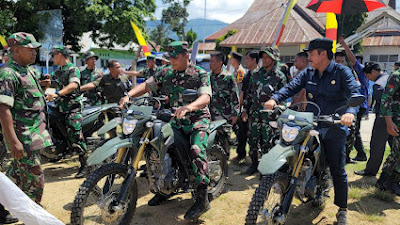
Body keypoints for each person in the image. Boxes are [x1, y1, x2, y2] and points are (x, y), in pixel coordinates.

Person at [264, 38, 360, 225]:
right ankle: (287, 183)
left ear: (323, 53)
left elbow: (354, 93)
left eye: (311, 53)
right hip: (310, 123)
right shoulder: (308, 73)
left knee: (338, 168)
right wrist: (274, 99)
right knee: (292, 149)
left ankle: (342, 210)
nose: (308, 57)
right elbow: (291, 87)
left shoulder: (342, 72)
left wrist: (350, 112)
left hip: (334, 125)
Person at [119, 41, 212, 221]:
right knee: (156, 146)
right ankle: (164, 188)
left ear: (186, 56)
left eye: (175, 57)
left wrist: (189, 107)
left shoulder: (199, 73)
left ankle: (202, 198)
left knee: (196, 150)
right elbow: (147, 85)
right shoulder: (166, 72)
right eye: (169, 57)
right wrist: (129, 95)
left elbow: (205, 96)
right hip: (174, 120)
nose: (172, 61)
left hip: (196, 120)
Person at [0, 32, 53, 224]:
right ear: (16, 50)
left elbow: (27, 95)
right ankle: (33, 217)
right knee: (35, 179)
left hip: (34, 133)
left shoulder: (28, 70)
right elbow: (3, 108)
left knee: (15, 174)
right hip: (23, 137)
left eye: (35, 49)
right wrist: (14, 141)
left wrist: (43, 87)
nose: (34, 52)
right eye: (29, 49)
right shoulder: (8, 73)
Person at [242, 47, 287, 175]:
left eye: (267, 57)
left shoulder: (280, 76)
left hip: (270, 117)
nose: (265, 60)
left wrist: (279, 111)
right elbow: (249, 94)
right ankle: (254, 164)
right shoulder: (255, 74)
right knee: (252, 140)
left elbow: (283, 96)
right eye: (263, 57)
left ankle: (266, 168)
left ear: (274, 59)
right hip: (254, 114)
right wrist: (245, 110)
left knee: (268, 142)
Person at [45, 45, 87, 178]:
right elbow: (51, 83)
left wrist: (57, 93)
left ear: (60, 55)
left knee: (74, 133)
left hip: (72, 107)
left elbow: (73, 85)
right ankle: (60, 151)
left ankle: (86, 164)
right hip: (60, 107)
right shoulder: (58, 71)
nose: (52, 58)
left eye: (53, 55)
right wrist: (45, 83)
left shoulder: (73, 69)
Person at [353, 62, 391, 176]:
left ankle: (371, 170)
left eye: (368, 76)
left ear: (373, 72)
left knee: (377, 145)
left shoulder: (378, 85)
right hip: (395, 117)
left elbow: (384, 105)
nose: (369, 79)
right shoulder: (389, 77)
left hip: (384, 118)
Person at [339, 37, 369, 162]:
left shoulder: (358, 72)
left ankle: (355, 155)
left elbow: (352, 59)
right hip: (348, 106)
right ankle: (357, 154)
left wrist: (344, 44)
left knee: (353, 131)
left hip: (358, 105)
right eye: (337, 61)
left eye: (342, 61)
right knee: (353, 131)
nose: (340, 63)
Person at [375, 61, 400, 196]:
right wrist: (389, 122)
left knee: (396, 152)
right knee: (398, 151)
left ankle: (384, 180)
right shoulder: (396, 76)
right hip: (397, 119)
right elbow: (386, 98)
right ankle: (393, 182)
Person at [233, 50, 259, 162]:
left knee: (256, 137)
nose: (245, 61)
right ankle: (241, 154)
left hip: (257, 111)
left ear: (254, 60)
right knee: (242, 133)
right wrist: (241, 108)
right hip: (247, 109)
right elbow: (243, 93)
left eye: (247, 59)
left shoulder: (259, 75)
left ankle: (256, 160)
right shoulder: (248, 75)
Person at [209, 51, 239, 124]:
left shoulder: (228, 77)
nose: (210, 64)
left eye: (212, 62)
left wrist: (235, 114)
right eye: (210, 62)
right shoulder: (207, 77)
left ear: (220, 63)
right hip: (210, 116)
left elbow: (234, 97)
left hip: (225, 116)